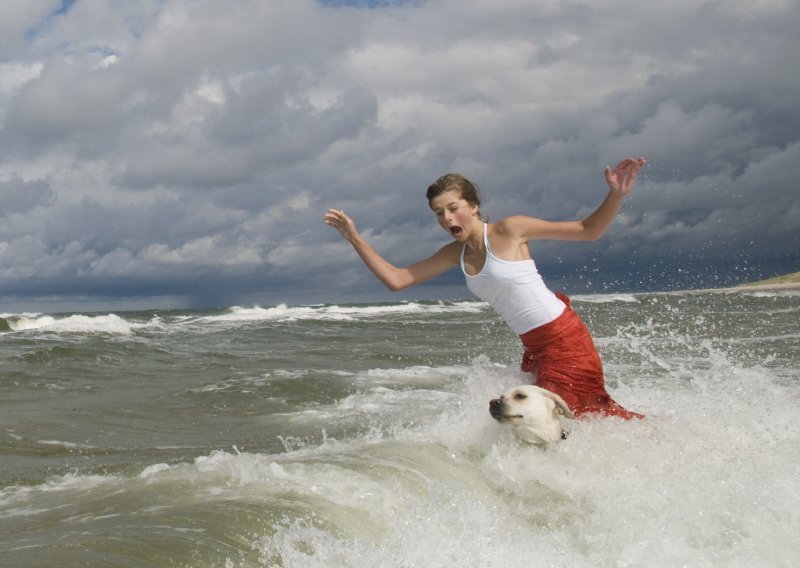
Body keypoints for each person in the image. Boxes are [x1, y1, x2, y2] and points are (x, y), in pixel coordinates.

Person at [324, 158, 646, 419]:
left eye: (453, 208)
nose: (447, 218)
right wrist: (354, 238)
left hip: (566, 341)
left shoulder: (509, 230)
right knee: (572, 423)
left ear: (474, 206)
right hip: (536, 348)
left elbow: (587, 231)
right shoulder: (455, 254)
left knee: (553, 422)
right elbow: (396, 280)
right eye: (439, 213)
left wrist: (615, 195)